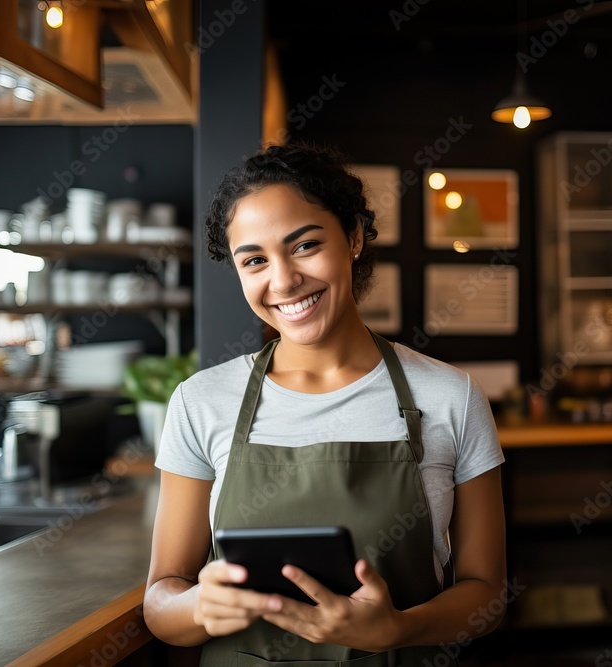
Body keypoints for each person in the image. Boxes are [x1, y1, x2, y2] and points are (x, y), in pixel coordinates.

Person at [144, 143, 506, 667]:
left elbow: (487, 595)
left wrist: (398, 629)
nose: (284, 280)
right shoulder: (200, 402)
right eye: (254, 260)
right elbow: (160, 600)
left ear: (354, 237)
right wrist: (198, 608)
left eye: (306, 245)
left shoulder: (451, 396)